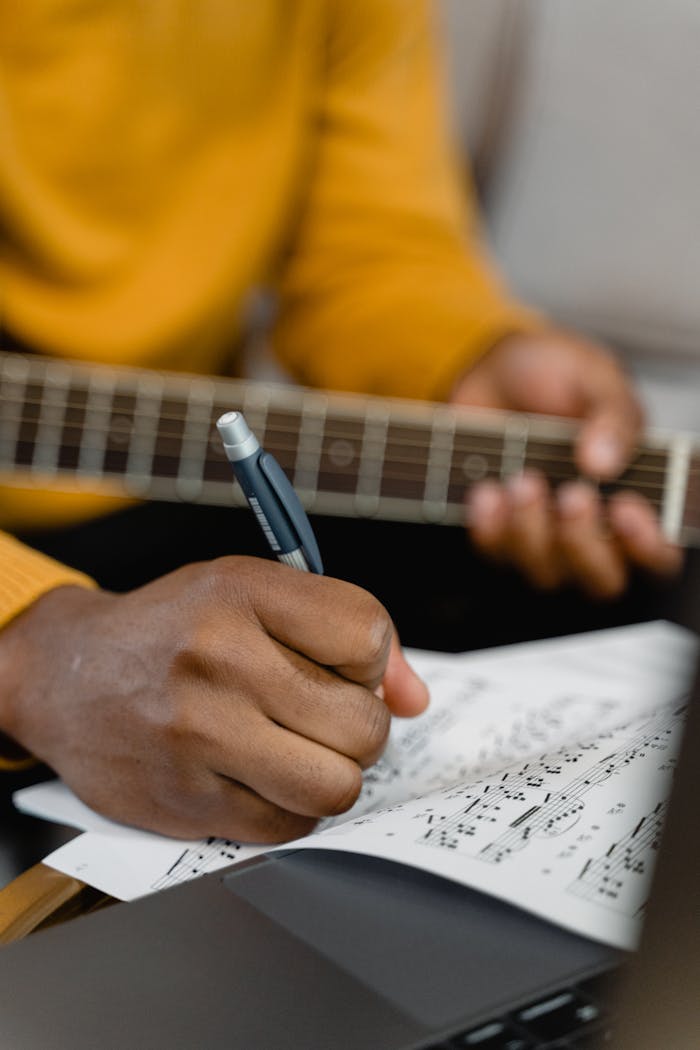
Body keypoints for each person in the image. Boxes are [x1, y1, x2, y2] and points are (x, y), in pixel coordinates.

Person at [0, 2, 681, 843]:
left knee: (620, 594)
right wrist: (30, 649)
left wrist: (468, 358)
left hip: (180, 468)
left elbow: (368, 246)